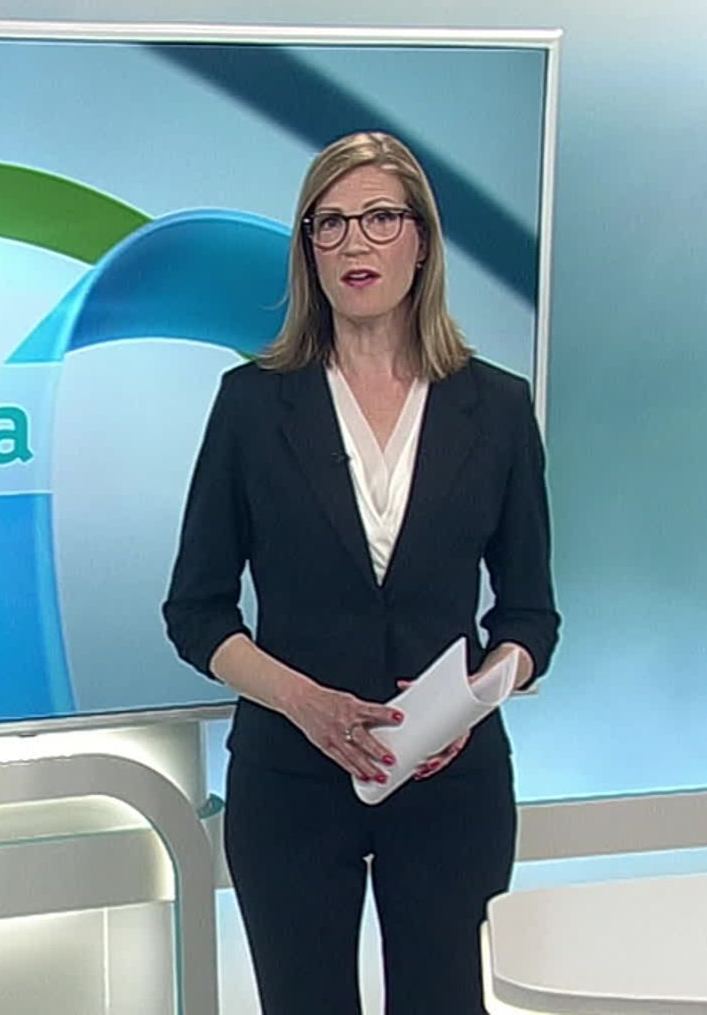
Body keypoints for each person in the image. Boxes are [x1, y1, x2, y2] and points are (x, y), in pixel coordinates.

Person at [162, 130, 558, 1013]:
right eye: (330, 223)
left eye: (380, 218)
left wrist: (473, 698)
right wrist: (305, 703)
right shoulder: (253, 405)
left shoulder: (496, 408)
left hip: (451, 788)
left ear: (421, 240)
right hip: (290, 784)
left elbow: (531, 615)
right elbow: (196, 611)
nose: (355, 243)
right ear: (309, 250)